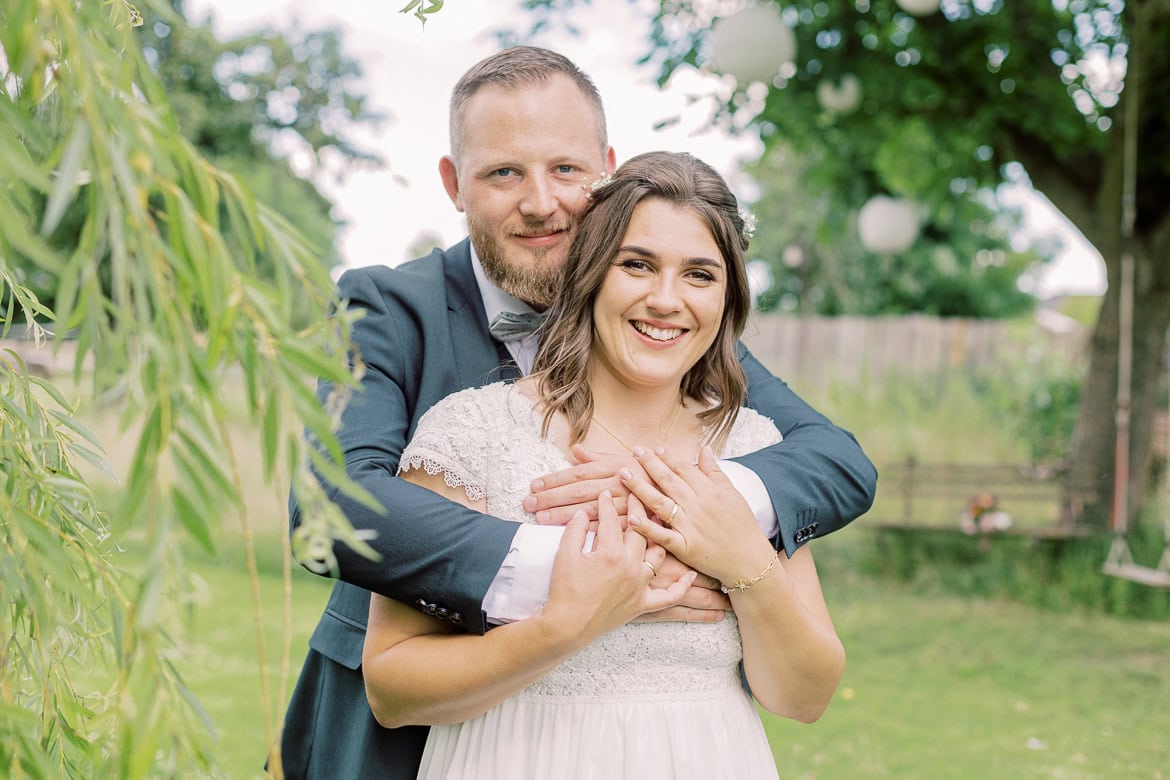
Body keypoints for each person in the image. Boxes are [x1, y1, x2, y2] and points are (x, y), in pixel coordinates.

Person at [278, 46, 876, 779]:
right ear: (453, 184)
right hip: (408, 735)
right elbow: (330, 502)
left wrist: (688, 501)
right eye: (503, 172)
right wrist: (568, 573)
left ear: (607, 172)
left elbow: (833, 460)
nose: (541, 202)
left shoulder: (671, 330)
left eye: (565, 169)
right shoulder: (387, 307)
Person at [363, 150, 844, 779]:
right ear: (591, 273)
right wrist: (565, 624)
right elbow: (392, 691)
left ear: (728, 298)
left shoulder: (751, 446)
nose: (666, 299)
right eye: (637, 265)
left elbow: (804, 698)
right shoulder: (470, 433)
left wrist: (744, 557)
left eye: (700, 274)